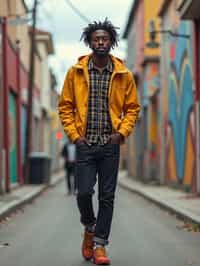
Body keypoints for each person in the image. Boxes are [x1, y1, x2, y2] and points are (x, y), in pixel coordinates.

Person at [58, 18, 140, 265]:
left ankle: (100, 246)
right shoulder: (75, 72)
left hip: (109, 145)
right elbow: (65, 106)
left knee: (107, 197)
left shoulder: (123, 74)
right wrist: (75, 137)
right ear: (90, 42)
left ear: (112, 42)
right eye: (96, 39)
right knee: (83, 193)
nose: (101, 42)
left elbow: (132, 108)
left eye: (105, 38)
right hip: (85, 145)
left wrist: (121, 134)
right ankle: (89, 228)